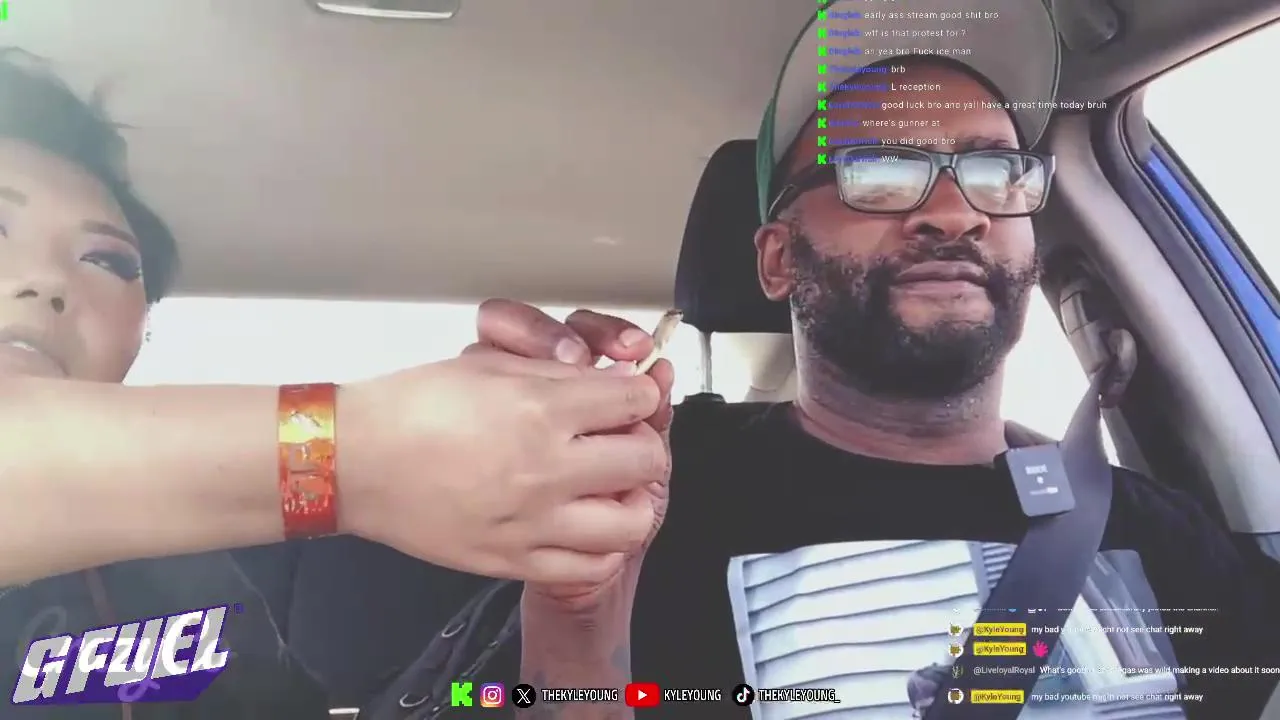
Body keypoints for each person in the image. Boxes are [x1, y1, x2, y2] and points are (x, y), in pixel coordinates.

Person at [470, 3, 1280, 718]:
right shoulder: (641, 494)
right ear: (779, 259)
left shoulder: (1157, 529)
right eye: (884, 171)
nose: (957, 214)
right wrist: (577, 623)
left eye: (995, 171)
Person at [0, 48, 667, 717]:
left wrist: (577, 616)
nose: (47, 281)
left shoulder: (187, 581)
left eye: (105, 260)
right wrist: (368, 454)